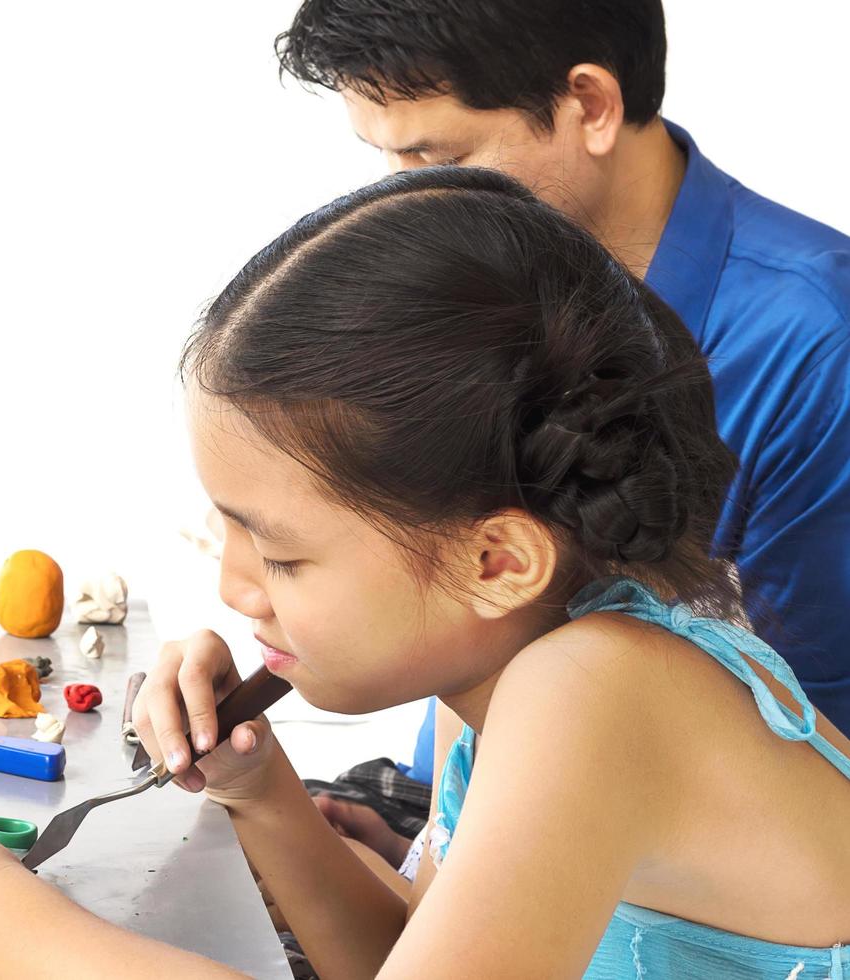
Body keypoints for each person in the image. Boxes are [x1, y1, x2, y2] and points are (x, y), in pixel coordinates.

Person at [0, 168, 850, 977]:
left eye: (280, 551)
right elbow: (413, 954)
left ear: (495, 559)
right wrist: (260, 790)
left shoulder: (591, 688)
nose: (236, 583)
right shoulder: (507, 661)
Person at [276, 0, 850, 860]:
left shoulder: (816, 343)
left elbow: (814, 760)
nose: (394, 199)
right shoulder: (478, 270)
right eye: (382, 157)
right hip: (461, 810)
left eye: (435, 156)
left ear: (589, 104)